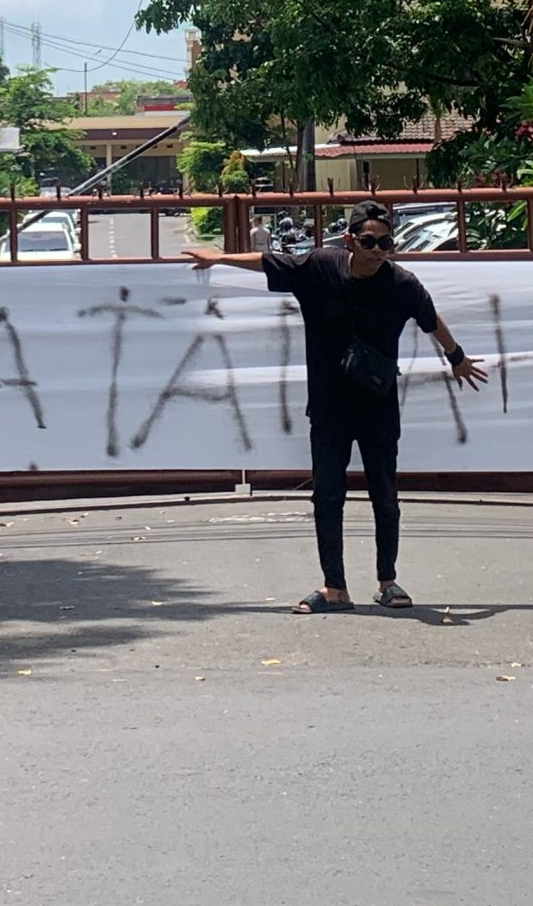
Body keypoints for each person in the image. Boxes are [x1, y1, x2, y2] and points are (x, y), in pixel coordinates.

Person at [186, 198, 487, 612]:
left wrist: (457, 359)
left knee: (385, 493)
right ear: (349, 240)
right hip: (329, 406)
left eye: (386, 243)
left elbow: (431, 320)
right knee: (328, 494)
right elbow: (270, 261)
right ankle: (335, 588)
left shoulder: (402, 284)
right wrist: (219, 258)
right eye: (369, 241)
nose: (377, 251)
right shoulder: (321, 267)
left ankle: (388, 581)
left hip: (378, 405)